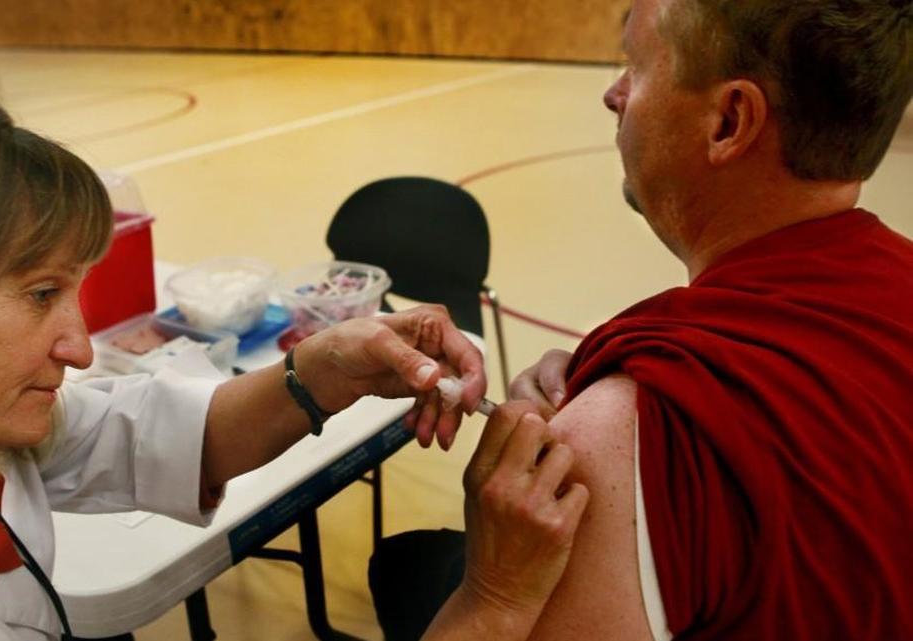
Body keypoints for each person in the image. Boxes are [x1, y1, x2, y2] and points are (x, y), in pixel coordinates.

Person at [0, 90, 589, 641]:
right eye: (39, 292)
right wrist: (493, 603)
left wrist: (323, 367)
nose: (81, 347)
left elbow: (128, 433)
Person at [373, 0, 913, 639]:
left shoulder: (639, 424)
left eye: (635, 65)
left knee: (404, 565)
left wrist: (493, 598)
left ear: (729, 120)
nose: (614, 93)